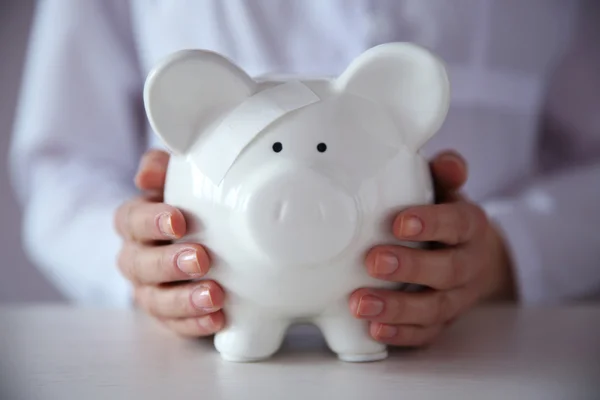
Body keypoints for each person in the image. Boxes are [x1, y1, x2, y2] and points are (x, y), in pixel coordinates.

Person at [8, 1, 600, 346]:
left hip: (491, 347)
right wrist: (140, 263)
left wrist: (507, 252)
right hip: (191, 364)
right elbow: (63, 160)